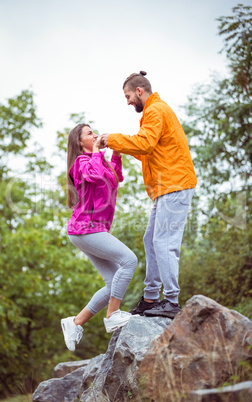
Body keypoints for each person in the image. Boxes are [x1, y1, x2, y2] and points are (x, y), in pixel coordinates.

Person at [100, 71, 197, 319]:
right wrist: (119, 148)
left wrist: (112, 139)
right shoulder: (154, 113)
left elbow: (144, 144)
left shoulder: (155, 111)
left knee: (163, 243)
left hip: (174, 185)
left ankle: (171, 301)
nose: (128, 101)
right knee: (150, 240)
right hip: (166, 188)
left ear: (139, 91)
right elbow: (147, 151)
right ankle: (151, 297)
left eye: (128, 95)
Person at [61, 123, 138, 352]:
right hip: (85, 228)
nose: (95, 135)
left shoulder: (98, 160)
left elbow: (117, 178)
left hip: (95, 229)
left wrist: (116, 151)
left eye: (94, 132)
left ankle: (74, 323)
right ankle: (112, 315)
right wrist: (96, 151)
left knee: (113, 280)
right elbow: (93, 176)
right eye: (89, 134)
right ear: (78, 142)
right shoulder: (81, 163)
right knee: (129, 260)